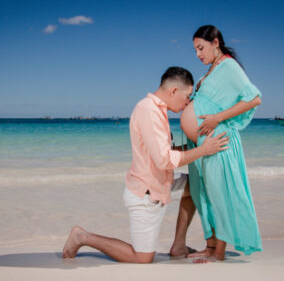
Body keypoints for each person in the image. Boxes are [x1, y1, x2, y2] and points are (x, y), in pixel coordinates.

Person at [62, 66, 229, 263]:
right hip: (146, 195)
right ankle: (83, 236)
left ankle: (179, 245)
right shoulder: (148, 110)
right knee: (142, 258)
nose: (188, 102)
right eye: (187, 96)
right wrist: (204, 150)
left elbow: (162, 152)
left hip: (162, 183)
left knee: (195, 185)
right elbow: (164, 160)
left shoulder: (158, 110)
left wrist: (198, 144)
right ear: (173, 91)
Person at [180, 25, 263, 262]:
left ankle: (219, 253)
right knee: (203, 194)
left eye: (201, 48)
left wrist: (217, 117)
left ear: (215, 43)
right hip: (201, 144)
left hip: (218, 139)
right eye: (195, 49)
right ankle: (211, 245)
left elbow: (254, 98)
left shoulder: (228, 66)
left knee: (219, 193)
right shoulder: (212, 70)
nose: (198, 54)